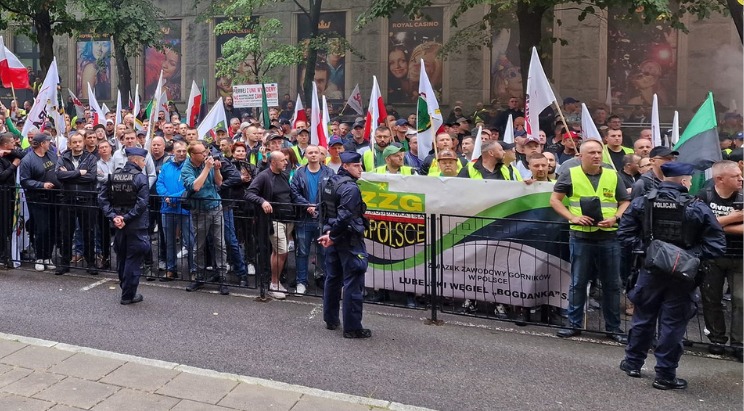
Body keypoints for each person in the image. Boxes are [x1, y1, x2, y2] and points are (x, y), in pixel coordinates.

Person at [618, 162, 725, 389]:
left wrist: (651, 252)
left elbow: (625, 235)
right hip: (682, 276)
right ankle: (665, 376)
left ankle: (632, 363)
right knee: (672, 325)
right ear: (685, 181)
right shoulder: (697, 206)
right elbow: (716, 245)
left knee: (643, 318)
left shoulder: (643, 202)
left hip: (650, 270)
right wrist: (686, 257)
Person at [550, 139, 630, 343]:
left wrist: (616, 217)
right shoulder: (571, 173)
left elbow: (624, 202)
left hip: (609, 237)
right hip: (581, 237)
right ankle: (574, 324)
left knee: (612, 284)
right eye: (592, 152)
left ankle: (613, 328)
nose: (596, 156)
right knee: (578, 283)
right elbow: (554, 200)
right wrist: (572, 217)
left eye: (599, 152)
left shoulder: (613, 175)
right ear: (581, 156)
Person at [318, 151, 371, 338]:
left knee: (333, 278)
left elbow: (324, 210)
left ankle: (331, 320)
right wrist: (333, 235)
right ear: (346, 166)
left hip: (332, 234)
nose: (360, 169)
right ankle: (352, 327)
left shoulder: (328, 182)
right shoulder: (351, 189)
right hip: (347, 239)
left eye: (360, 165)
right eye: (356, 165)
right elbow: (345, 216)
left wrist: (328, 232)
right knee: (353, 282)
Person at [697, 160, 743, 360]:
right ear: (720, 179)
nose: (741, 179)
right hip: (712, 256)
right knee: (711, 299)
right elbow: (697, 224)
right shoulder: (704, 196)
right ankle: (716, 339)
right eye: (736, 176)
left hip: (740, 257)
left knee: (741, 301)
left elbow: (707, 225)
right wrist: (733, 218)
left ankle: (739, 343)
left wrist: (715, 225)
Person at [98, 147, 151, 305]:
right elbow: (142, 204)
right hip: (135, 225)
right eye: (142, 161)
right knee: (133, 260)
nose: (144, 163)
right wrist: (125, 218)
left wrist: (114, 217)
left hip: (119, 225)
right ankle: (128, 295)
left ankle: (125, 288)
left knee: (122, 258)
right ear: (135, 160)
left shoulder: (114, 176)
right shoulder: (140, 178)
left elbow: (102, 198)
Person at [245, 150, 296, 300]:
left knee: (278, 252)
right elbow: (249, 193)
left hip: (288, 219)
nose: (286, 163)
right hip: (274, 220)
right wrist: (263, 201)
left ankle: (276, 281)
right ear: (273, 162)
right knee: (282, 251)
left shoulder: (284, 175)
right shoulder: (263, 176)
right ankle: (273, 283)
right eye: (283, 160)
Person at [181, 141, 230, 296]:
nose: (206, 154)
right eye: (202, 152)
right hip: (199, 210)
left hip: (215, 207)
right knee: (199, 246)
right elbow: (195, 186)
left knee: (220, 244)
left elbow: (219, 182)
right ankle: (199, 276)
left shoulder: (206, 163)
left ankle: (222, 277)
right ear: (193, 155)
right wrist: (207, 168)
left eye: (206, 151)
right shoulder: (187, 168)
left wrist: (216, 170)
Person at [291, 145, 334, 295]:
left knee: (324, 251)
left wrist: (319, 207)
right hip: (304, 218)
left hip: (323, 219)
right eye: (310, 153)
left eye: (317, 152)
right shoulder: (299, 173)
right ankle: (301, 281)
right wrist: (306, 205)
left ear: (322, 155)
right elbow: (294, 192)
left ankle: (323, 278)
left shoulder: (329, 172)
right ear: (305, 155)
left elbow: (332, 193)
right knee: (302, 251)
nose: (314, 155)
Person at [54, 132, 98, 275]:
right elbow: (59, 175)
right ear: (70, 143)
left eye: (80, 141)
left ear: (83, 142)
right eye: (75, 142)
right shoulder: (63, 158)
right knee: (66, 233)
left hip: (86, 200)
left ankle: (91, 263)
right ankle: (65, 263)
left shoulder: (90, 158)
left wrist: (70, 175)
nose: (77, 144)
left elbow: (91, 177)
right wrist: (80, 173)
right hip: (68, 200)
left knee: (88, 232)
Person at [19, 133, 60, 272]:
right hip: (37, 199)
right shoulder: (28, 159)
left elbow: (57, 169)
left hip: (54, 198)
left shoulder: (52, 155)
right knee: (41, 229)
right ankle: (39, 257)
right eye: (48, 142)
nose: (50, 144)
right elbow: (25, 180)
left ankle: (48, 256)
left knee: (53, 228)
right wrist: (41, 185)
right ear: (42, 144)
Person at [156, 140, 195, 282]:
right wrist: (165, 196)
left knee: (190, 241)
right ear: (173, 152)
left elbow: (190, 187)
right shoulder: (166, 167)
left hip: (185, 209)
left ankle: (193, 269)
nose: (182, 154)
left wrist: (172, 198)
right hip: (167, 209)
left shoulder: (191, 166)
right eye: (179, 151)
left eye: (184, 151)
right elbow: (159, 183)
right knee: (169, 241)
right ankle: (171, 269)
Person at [0, 134, 22, 268]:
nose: (14, 145)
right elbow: (1, 177)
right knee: (2, 226)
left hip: (10, 195)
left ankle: (7, 254)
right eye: (12, 143)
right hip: (2, 195)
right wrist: (13, 166)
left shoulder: (9, 154)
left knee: (9, 226)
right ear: (5, 143)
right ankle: (2, 256)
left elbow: (24, 153)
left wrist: (10, 152)